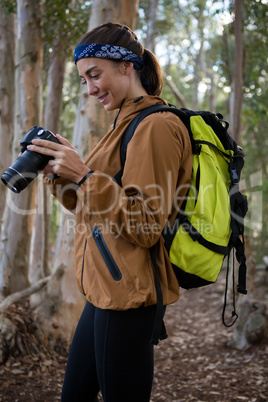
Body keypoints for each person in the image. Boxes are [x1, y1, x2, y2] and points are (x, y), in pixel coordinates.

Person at [27, 22, 192, 402]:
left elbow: (146, 224)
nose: (90, 89)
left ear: (127, 67)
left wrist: (84, 176)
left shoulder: (157, 126)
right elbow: (90, 206)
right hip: (105, 290)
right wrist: (60, 172)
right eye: (84, 80)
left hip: (130, 296)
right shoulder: (123, 124)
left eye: (95, 75)